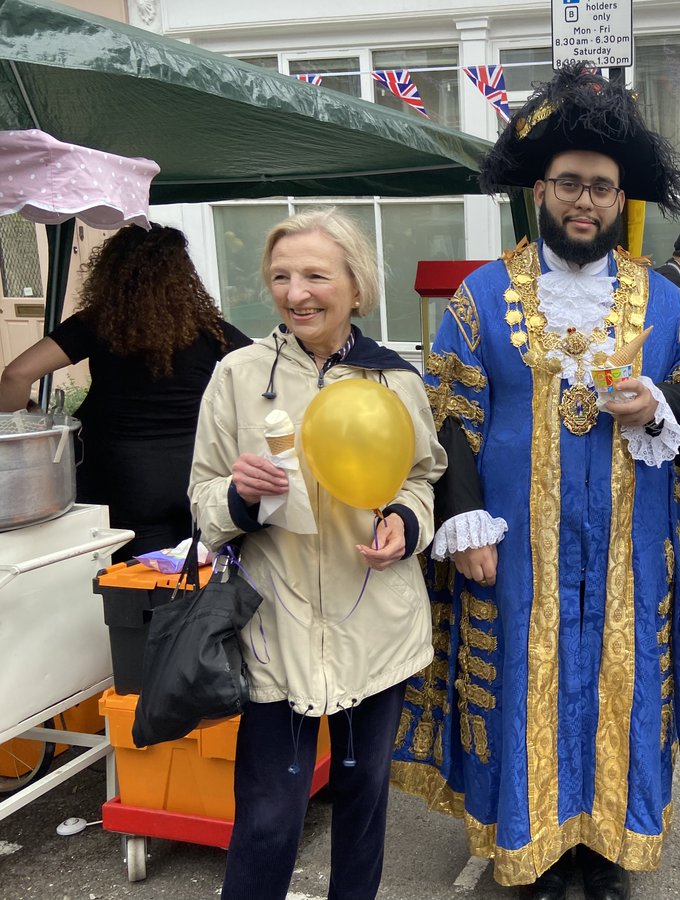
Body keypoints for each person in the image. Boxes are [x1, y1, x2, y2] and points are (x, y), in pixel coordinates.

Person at [391, 64, 680, 900]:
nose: (586, 202)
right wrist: (462, 522)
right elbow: (448, 416)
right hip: (514, 544)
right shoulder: (480, 296)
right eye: (570, 184)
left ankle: (607, 848)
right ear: (541, 189)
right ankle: (532, 847)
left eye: (602, 190)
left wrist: (657, 403)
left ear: (620, 201)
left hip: (629, 543)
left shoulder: (663, 299)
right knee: (522, 684)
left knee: (625, 684)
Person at [188, 208, 446, 900]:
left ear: (355, 287)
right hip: (277, 630)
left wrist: (404, 522)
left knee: (364, 799)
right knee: (271, 815)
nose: (295, 292)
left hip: (376, 623)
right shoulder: (237, 376)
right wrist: (237, 500)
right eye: (280, 276)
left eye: (314, 275)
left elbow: (421, 476)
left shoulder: (396, 381)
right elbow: (201, 501)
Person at [0, 223, 250, 560]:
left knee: (139, 592)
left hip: (123, 477)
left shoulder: (97, 323)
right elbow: (259, 373)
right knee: (197, 580)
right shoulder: (208, 327)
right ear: (182, 274)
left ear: (113, 271)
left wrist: (21, 427)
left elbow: (15, 375)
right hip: (197, 472)